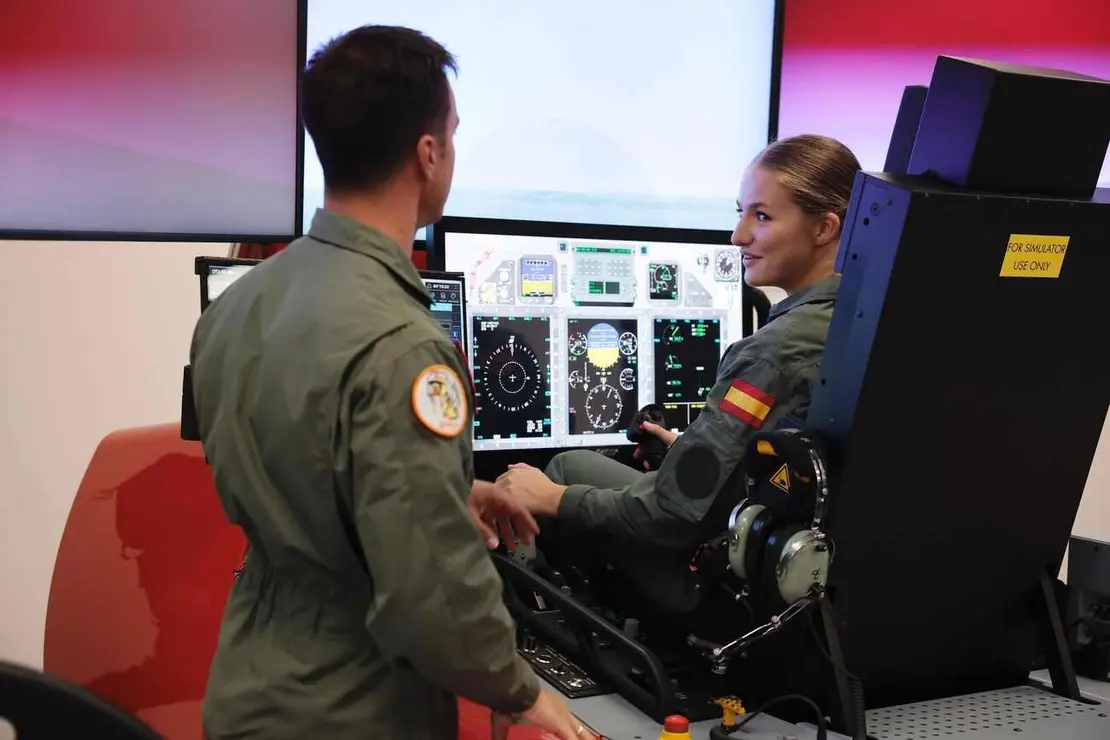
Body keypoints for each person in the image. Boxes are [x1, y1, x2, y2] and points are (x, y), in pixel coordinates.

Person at [190, 25, 593, 740]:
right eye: (454, 136)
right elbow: (428, 593)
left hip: (251, 682)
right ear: (428, 153)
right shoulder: (406, 345)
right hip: (354, 706)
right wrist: (520, 690)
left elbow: (297, 468)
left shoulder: (244, 300)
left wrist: (439, 485)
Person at [495, 134, 861, 613]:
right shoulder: (863, 319)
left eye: (762, 216)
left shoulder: (773, 352)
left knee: (564, 470)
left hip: (722, 587)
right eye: (740, 212)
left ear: (824, 228)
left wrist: (554, 498)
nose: (739, 235)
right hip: (808, 567)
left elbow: (669, 514)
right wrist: (693, 450)